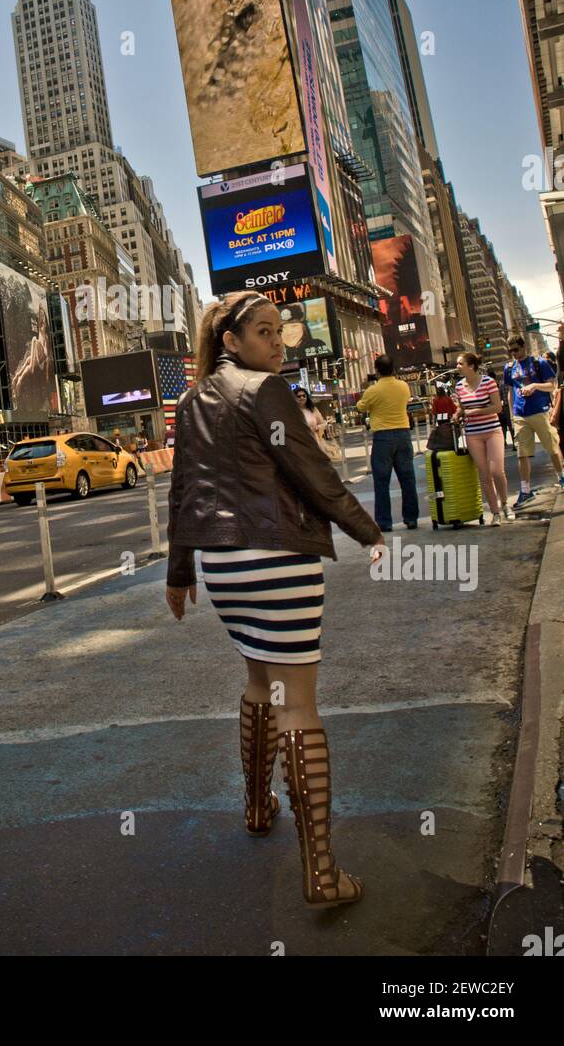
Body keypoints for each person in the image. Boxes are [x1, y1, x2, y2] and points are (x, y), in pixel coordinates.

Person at [166, 292, 383, 907]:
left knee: (262, 684)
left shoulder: (191, 400)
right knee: (300, 707)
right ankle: (322, 874)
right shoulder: (263, 392)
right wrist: (368, 530)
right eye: (264, 333)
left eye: (279, 333)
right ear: (232, 341)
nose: (277, 343)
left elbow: (182, 490)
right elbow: (312, 472)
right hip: (277, 557)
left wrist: (180, 572)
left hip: (223, 566)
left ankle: (258, 810)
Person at [356, 354, 420, 534]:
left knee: (382, 482)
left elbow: (361, 407)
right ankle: (411, 518)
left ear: (376, 370)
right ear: (393, 369)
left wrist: (364, 397)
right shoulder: (403, 386)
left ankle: (385, 522)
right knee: (407, 479)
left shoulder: (373, 390)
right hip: (403, 434)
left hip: (382, 437)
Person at [502, 333, 564, 508]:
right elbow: (510, 390)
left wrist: (535, 386)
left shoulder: (539, 363)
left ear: (524, 347)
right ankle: (525, 490)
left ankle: (561, 477)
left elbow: (552, 385)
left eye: (516, 349)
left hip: (540, 411)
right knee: (522, 453)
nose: (514, 353)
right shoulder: (509, 368)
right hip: (520, 415)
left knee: (552, 447)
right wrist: (513, 412)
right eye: (511, 350)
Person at [452, 353, 510, 524]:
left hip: (492, 430)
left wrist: (475, 411)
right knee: (484, 475)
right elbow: (462, 408)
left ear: (471, 365)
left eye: (460, 363)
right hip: (472, 433)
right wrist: (457, 414)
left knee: (496, 471)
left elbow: (498, 407)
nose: (457, 366)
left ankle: (505, 504)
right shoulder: (459, 386)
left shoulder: (488, 382)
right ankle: (495, 513)